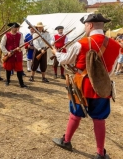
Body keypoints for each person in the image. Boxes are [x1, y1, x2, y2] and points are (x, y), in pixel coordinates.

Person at [51, 13, 120, 158]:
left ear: (90, 25)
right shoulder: (116, 45)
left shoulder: (80, 43)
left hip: (81, 86)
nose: (85, 28)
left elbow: (64, 60)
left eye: (85, 25)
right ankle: (100, 153)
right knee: (99, 119)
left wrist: (56, 53)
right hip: (102, 87)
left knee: (75, 114)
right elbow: (112, 71)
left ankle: (66, 141)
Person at [0, 22, 27, 88]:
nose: (16, 29)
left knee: (19, 70)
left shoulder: (20, 35)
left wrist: (19, 48)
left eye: (17, 27)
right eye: (15, 27)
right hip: (9, 55)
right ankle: (8, 81)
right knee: (8, 69)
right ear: (11, 28)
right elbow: (2, 45)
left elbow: (22, 44)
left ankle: (21, 83)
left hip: (18, 55)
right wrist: (7, 52)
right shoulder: (6, 35)